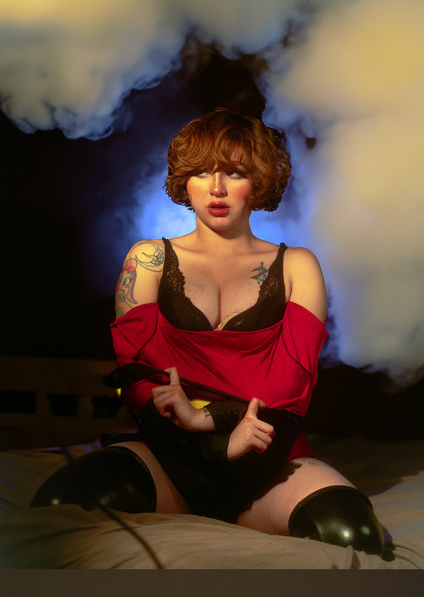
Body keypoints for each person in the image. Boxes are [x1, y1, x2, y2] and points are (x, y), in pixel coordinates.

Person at [31, 108, 384, 555]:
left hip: (266, 459)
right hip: (173, 456)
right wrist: (214, 443)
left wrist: (206, 418)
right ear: (185, 180)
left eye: (234, 172)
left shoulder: (298, 266)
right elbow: (139, 380)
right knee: (57, 508)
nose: (216, 188)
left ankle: (246, 513)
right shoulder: (148, 259)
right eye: (201, 172)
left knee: (352, 534)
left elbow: (288, 391)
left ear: (258, 181)